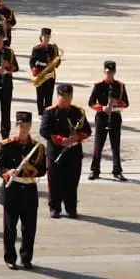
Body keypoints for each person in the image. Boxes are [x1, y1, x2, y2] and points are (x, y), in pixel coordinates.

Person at [0, 111, 47, 270]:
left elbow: (43, 170)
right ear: (16, 126)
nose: (23, 129)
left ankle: (26, 258)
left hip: (29, 189)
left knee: (29, 228)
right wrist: (8, 172)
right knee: (10, 229)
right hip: (12, 190)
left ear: (30, 126)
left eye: (26, 126)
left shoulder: (37, 147)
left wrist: (30, 168)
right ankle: (10, 258)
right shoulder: (7, 145)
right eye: (20, 126)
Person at [39, 84, 92, 219]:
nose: (66, 99)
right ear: (58, 96)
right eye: (63, 96)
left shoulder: (78, 112)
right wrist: (60, 140)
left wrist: (77, 138)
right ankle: (54, 208)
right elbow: (44, 131)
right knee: (55, 181)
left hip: (73, 153)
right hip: (56, 152)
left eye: (69, 96)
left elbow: (87, 130)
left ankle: (71, 208)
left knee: (72, 181)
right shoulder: (50, 112)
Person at [88, 61, 129, 181]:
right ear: (104, 72)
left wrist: (118, 102)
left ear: (114, 72)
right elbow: (91, 102)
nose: (109, 75)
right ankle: (95, 170)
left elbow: (126, 103)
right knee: (98, 144)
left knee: (115, 144)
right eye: (107, 72)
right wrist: (101, 108)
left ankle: (117, 170)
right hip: (102, 116)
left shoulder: (120, 86)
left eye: (111, 72)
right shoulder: (99, 85)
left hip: (115, 116)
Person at [29, 28, 60, 115]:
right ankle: (40, 112)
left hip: (50, 74)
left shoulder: (53, 48)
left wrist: (57, 61)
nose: (46, 39)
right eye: (45, 37)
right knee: (40, 95)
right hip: (40, 73)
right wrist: (33, 69)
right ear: (41, 37)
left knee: (49, 95)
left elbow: (57, 63)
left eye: (48, 37)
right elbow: (32, 61)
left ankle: (47, 113)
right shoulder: (36, 49)